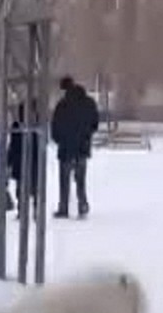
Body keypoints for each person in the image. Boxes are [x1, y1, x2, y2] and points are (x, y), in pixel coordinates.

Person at [50, 77, 99, 219]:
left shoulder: (62, 105)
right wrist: (86, 135)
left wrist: (59, 140)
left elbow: (55, 126)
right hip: (82, 148)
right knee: (80, 180)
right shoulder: (89, 103)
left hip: (66, 149)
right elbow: (94, 123)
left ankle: (63, 207)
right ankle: (82, 204)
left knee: (64, 181)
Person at [6, 112, 42, 217]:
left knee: (22, 188)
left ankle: (22, 210)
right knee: (35, 187)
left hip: (20, 161)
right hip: (33, 161)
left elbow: (12, 146)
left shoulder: (17, 127)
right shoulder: (37, 127)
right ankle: (35, 209)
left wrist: (9, 161)